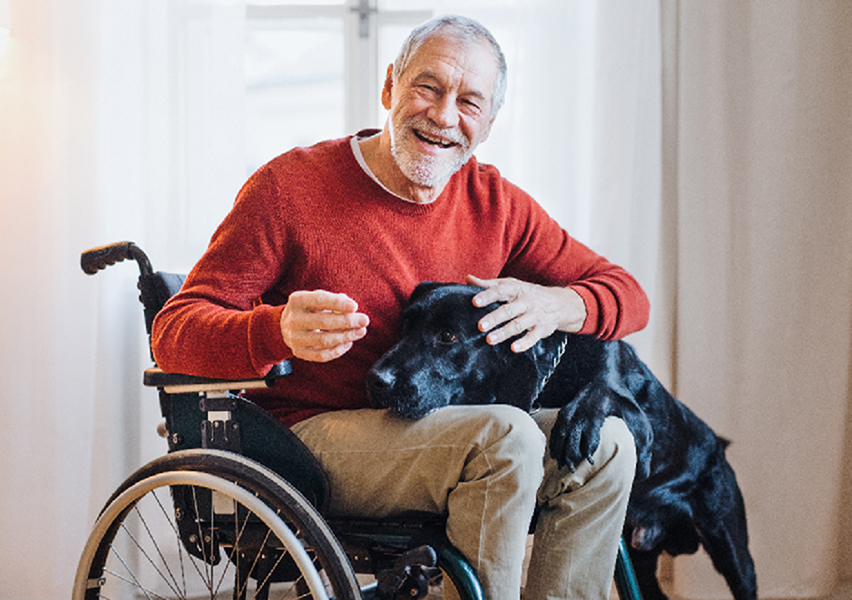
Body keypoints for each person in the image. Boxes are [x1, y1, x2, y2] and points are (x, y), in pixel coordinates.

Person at [152, 14, 649, 600]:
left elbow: (628, 295)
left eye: (469, 102)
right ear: (389, 87)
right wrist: (275, 329)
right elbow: (173, 330)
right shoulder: (289, 188)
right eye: (427, 88)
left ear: (488, 123)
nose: (443, 116)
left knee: (609, 445)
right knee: (509, 436)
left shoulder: (496, 204)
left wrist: (557, 302)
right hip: (308, 439)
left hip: (440, 429)